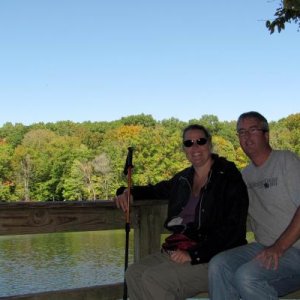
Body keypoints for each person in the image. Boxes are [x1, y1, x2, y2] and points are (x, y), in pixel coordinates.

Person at [113, 124, 249, 300]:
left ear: (210, 144)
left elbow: (234, 229)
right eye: (188, 143)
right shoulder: (183, 178)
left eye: (200, 141)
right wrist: (126, 191)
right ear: (184, 149)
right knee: (134, 273)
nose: (195, 147)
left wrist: (194, 253)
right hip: (178, 248)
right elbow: (154, 191)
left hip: (214, 257)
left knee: (154, 279)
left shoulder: (228, 176)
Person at [208, 111, 300, 300]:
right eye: (241, 132)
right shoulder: (245, 175)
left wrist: (279, 247)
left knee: (247, 277)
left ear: (266, 134)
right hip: (263, 246)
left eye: (253, 130)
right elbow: (222, 204)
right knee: (219, 264)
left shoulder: (286, 160)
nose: (246, 136)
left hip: (294, 249)